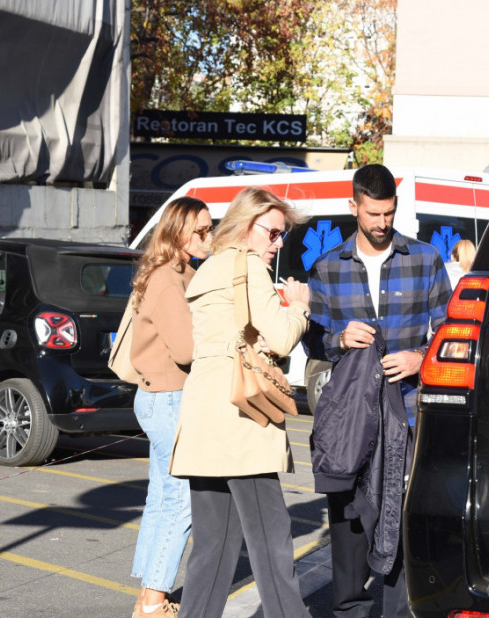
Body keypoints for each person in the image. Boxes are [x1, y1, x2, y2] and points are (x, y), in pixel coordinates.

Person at [304, 164, 452, 618]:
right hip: (351, 418)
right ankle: (349, 610)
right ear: (354, 207)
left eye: (389, 213)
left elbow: (449, 330)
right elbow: (312, 340)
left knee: (400, 524)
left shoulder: (425, 259)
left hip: (408, 413)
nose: (382, 223)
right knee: (349, 523)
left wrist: (420, 359)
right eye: (373, 213)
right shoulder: (327, 268)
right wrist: (338, 339)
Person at [169, 187, 312, 618]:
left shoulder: (210, 266)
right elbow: (282, 338)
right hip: (241, 416)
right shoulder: (248, 265)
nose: (278, 243)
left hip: (203, 413)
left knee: (213, 545)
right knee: (271, 538)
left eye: (282, 235)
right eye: (272, 232)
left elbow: (218, 335)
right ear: (246, 225)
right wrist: (299, 308)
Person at [129, 196, 212, 618]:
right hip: (168, 398)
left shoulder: (176, 272)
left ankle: (148, 595)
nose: (208, 238)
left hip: (161, 396)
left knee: (163, 496)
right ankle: (153, 602)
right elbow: (185, 349)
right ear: (178, 232)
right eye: (201, 231)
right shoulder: (168, 278)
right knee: (180, 500)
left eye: (210, 229)